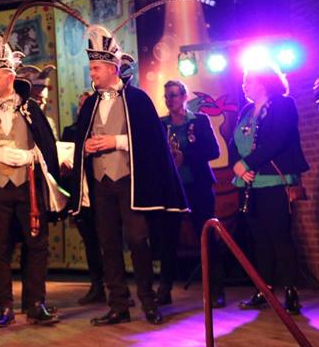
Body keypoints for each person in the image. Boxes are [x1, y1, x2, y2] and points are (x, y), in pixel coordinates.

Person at [69, 24, 187, 326]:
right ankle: (118, 305)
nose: (92, 73)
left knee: (137, 240)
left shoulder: (137, 99)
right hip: (101, 182)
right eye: (91, 68)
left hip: (130, 181)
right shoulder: (90, 104)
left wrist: (116, 141)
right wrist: (87, 147)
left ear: (112, 68)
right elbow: (82, 139)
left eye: (96, 68)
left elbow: (152, 141)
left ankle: (148, 302)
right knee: (108, 244)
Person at [0, 32, 62, 328]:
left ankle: (36, 304)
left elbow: (46, 146)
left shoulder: (31, 109)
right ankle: (4, 307)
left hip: (28, 188)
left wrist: (30, 156)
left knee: (36, 245)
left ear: (10, 78)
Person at [231, 64, 309, 315]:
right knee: (259, 239)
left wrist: (247, 163)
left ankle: (291, 291)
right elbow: (234, 143)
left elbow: (278, 139)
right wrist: (238, 166)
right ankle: (263, 289)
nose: (244, 86)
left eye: (249, 81)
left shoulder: (284, 105)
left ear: (264, 82)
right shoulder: (246, 111)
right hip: (249, 184)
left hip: (274, 181)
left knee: (279, 235)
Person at [158, 80, 223, 307]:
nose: (170, 100)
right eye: (167, 96)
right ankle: (164, 289)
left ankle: (216, 289)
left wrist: (185, 156)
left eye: (174, 95)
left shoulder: (200, 120)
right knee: (167, 238)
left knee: (206, 235)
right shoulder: (161, 124)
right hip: (172, 189)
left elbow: (213, 151)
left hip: (198, 186)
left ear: (184, 97)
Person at [61, 90, 107, 305]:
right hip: (82, 194)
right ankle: (97, 286)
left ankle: (118, 288)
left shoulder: (103, 131)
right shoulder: (70, 131)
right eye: (81, 105)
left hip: (103, 192)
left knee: (109, 241)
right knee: (90, 241)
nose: (83, 108)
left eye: (87, 104)